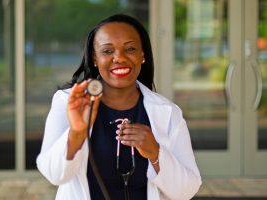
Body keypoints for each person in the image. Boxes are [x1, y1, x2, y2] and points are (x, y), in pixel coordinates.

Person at [36, 14, 202, 200]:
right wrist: (76, 132)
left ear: (142, 55)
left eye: (130, 48)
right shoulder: (68, 102)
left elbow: (187, 191)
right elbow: (54, 175)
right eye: (107, 51)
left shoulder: (168, 112)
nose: (119, 58)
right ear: (95, 58)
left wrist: (155, 153)